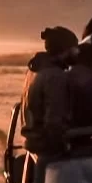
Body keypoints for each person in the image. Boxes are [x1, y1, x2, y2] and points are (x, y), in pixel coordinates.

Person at [19, 26, 79, 157]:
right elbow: (54, 121)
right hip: (48, 149)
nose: (77, 52)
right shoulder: (55, 76)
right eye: (75, 48)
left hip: (34, 143)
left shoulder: (35, 70)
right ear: (65, 50)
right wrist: (64, 148)